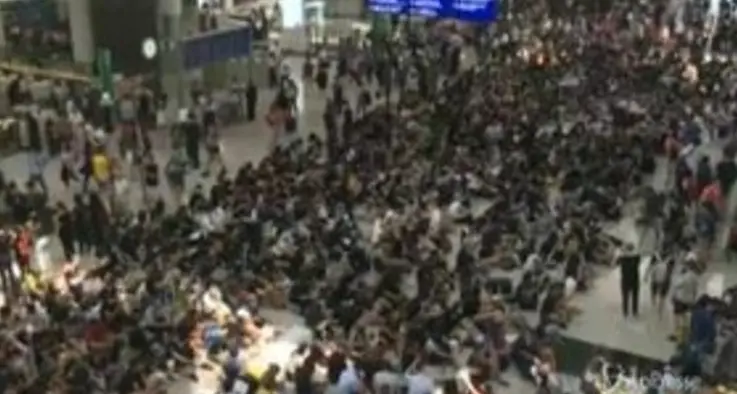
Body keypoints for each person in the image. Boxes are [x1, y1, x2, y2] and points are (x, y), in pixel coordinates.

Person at [617, 244, 641, 318]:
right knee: (635, 297)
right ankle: (635, 312)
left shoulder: (622, 259)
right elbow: (638, 254)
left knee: (625, 297)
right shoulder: (636, 258)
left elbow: (616, 261)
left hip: (625, 280)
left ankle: (625, 312)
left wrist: (623, 251)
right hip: (635, 280)